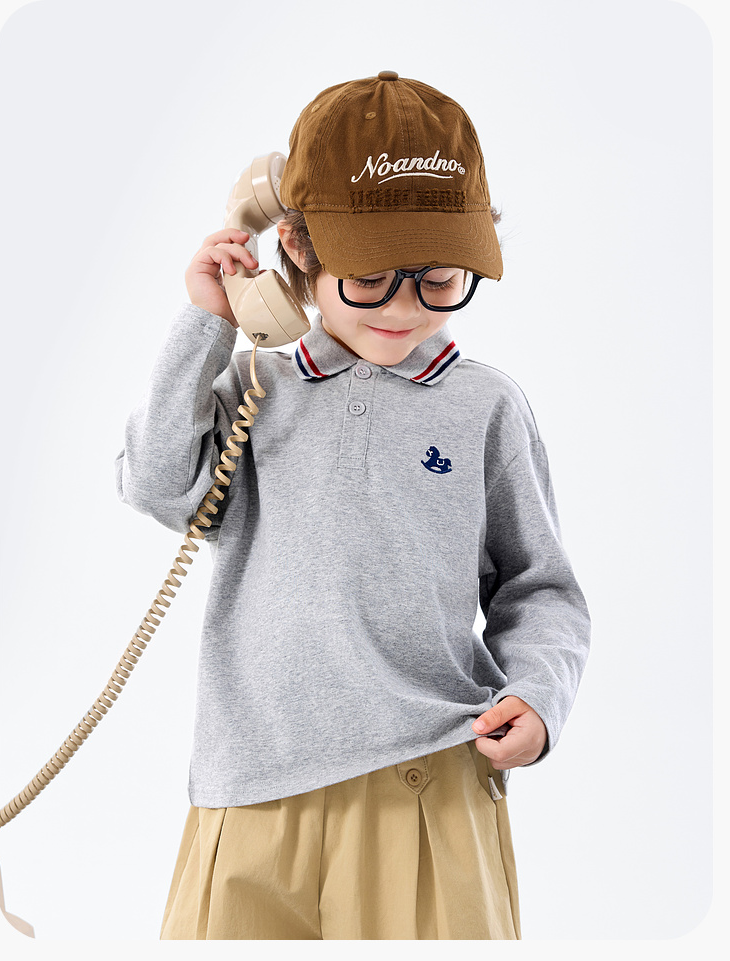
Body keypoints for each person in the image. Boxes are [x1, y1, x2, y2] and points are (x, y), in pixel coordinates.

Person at [115, 71, 590, 940]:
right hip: (251, 793)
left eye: (438, 278)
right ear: (296, 247)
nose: (405, 308)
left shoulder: (486, 406)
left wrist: (537, 694)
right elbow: (157, 485)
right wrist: (207, 324)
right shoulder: (251, 387)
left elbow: (540, 586)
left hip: (428, 786)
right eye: (370, 276)